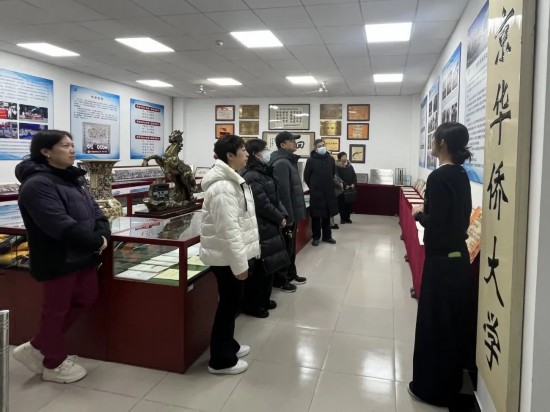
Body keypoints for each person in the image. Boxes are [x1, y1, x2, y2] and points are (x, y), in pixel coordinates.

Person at [13, 130, 110, 384]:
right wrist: (96, 241)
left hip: (84, 255)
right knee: (55, 310)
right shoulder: (36, 185)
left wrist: (103, 233)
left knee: (87, 297)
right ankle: (53, 363)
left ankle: (38, 345)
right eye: (65, 145)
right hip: (58, 258)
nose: (72, 149)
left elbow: (96, 211)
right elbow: (58, 224)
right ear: (46, 151)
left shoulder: (73, 179)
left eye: (72, 144)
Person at [408, 122, 473, 407]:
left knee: (434, 326)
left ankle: (431, 389)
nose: (431, 143)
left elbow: (437, 222)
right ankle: (449, 383)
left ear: (442, 142)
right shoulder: (460, 173)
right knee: (450, 326)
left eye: (434, 139)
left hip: (442, 261)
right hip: (457, 259)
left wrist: (418, 215)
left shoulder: (438, 176)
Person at [200, 134, 260, 375]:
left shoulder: (232, 180)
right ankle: (220, 360)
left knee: (231, 303)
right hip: (226, 259)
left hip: (230, 256)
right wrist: (239, 264)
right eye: (242, 150)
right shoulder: (223, 187)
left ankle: (228, 345)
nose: (247, 154)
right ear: (230, 155)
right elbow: (228, 230)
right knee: (228, 306)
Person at [241, 139, 290, 318]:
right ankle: (254, 305)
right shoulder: (251, 175)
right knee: (260, 269)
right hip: (260, 225)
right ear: (256, 154)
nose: (268, 152)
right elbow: (261, 203)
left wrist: (282, 214)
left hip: (271, 223)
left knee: (269, 266)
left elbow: (276, 197)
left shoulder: (265, 170)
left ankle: (264, 299)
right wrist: (278, 217)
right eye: (265, 149)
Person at [270, 131, 308, 292]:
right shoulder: (281, 163)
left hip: (292, 212)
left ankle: (291, 274)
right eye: (291, 141)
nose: (295, 143)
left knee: (290, 247)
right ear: (282, 144)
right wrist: (288, 216)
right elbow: (283, 194)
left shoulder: (288, 160)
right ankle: (281, 279)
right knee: (285, 247)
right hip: (287, 214)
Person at [304, 139, 338, 246]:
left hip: (328, 191)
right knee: (316, 216)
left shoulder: (330, 159)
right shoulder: (311, 160)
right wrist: (313, 186)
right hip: (316, 192)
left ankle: (327, 236)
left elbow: (333, 173)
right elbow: (307, 176)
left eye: (323, 145)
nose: (322, 147)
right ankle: (316, 237)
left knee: (327, 215)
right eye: (319, 146)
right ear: (315, 148)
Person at [336, 152, 357, 224]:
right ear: (339, 158)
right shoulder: (337, 166)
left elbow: (354, 175)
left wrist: (353, 183)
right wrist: (345, 185)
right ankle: (342, 218)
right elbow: (338, 177)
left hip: (350, 187)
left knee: (349, 203)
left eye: (346, 156)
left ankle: (348, 218)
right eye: (343, 156)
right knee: (342, 204)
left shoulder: (350, 166)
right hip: (342, 188)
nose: (345, 157)